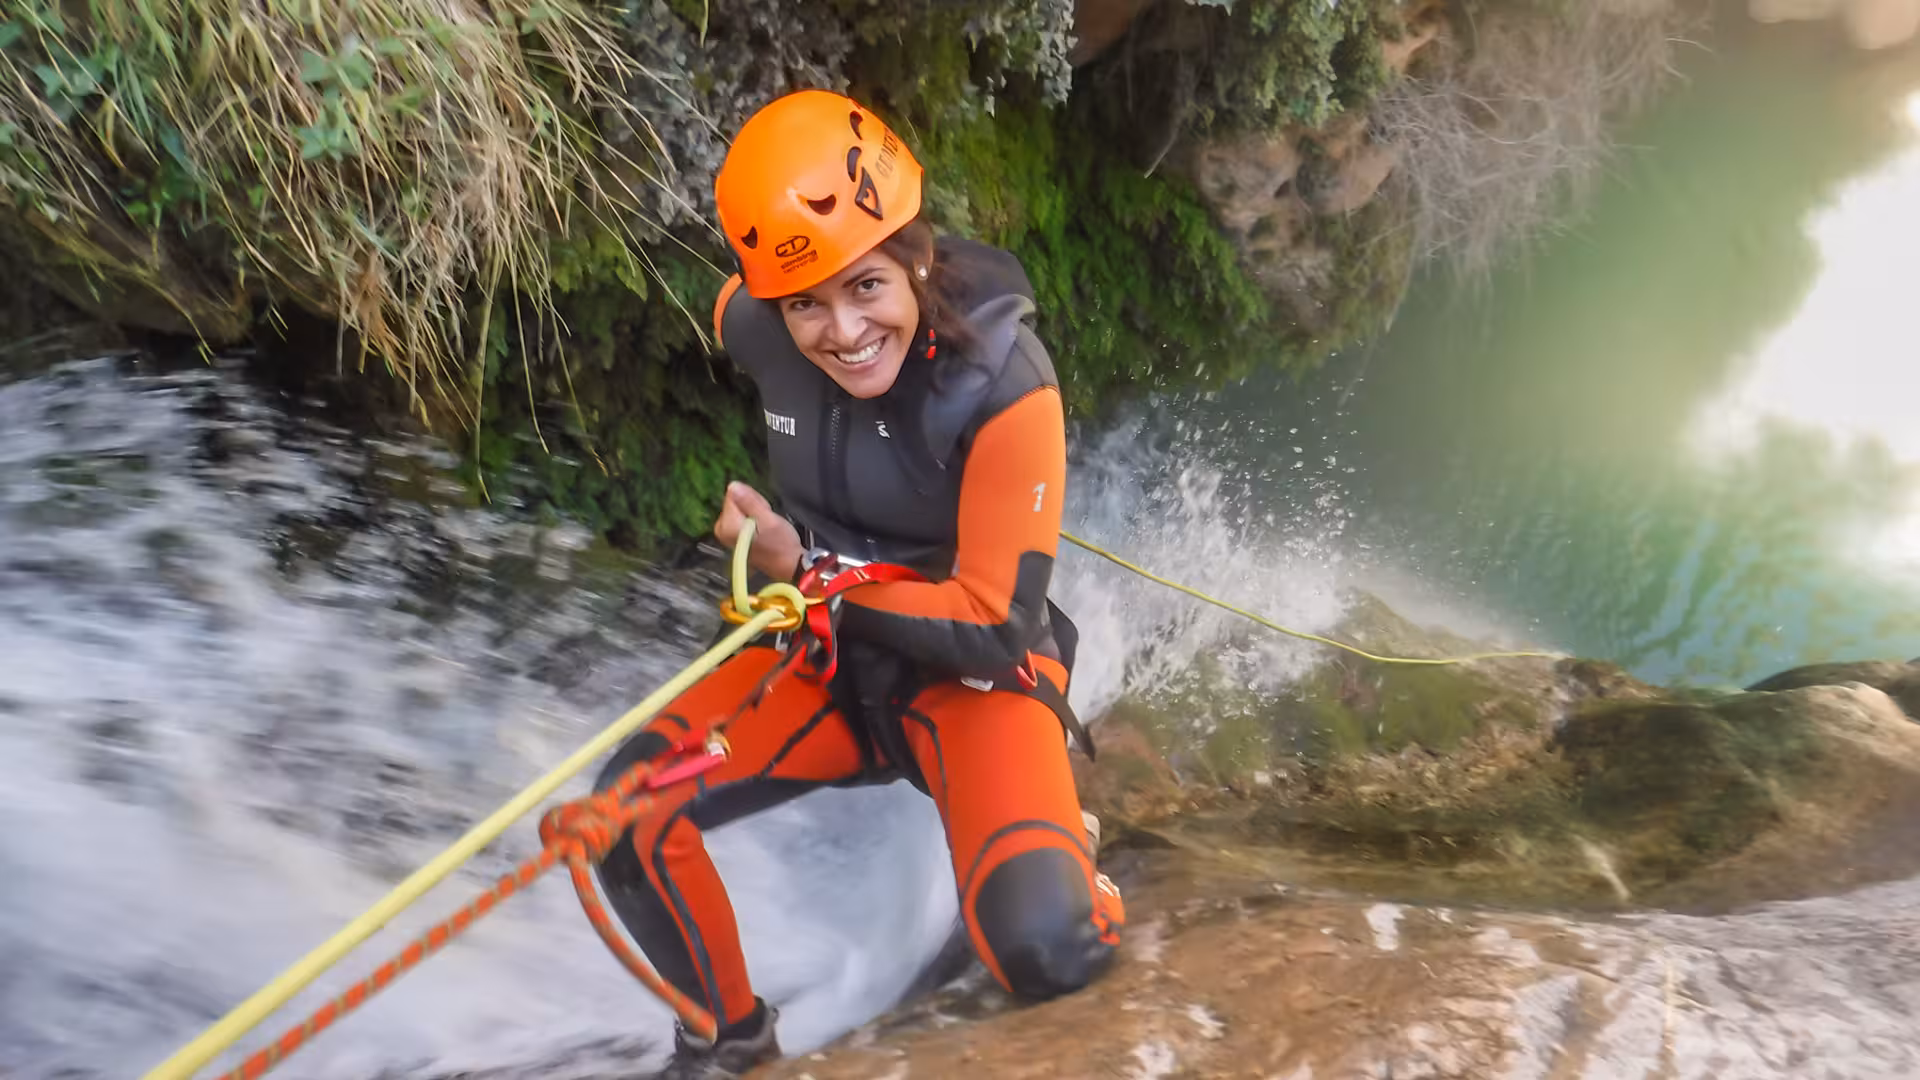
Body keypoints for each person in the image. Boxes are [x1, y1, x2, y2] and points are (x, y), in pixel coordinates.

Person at [589, 88, 1125, 1079]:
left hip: (969, 678)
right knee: (625, 815)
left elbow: (997, 627)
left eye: (866, 286)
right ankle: (730, 1040)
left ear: (915, 253)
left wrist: (809, 572)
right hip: (829, 663)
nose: (840, 331)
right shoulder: (751, 322)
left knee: (1048, 948)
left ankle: (1075, 858)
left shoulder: (1008, 388)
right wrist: (785, 566)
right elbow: (745, 300)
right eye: (806, 304)